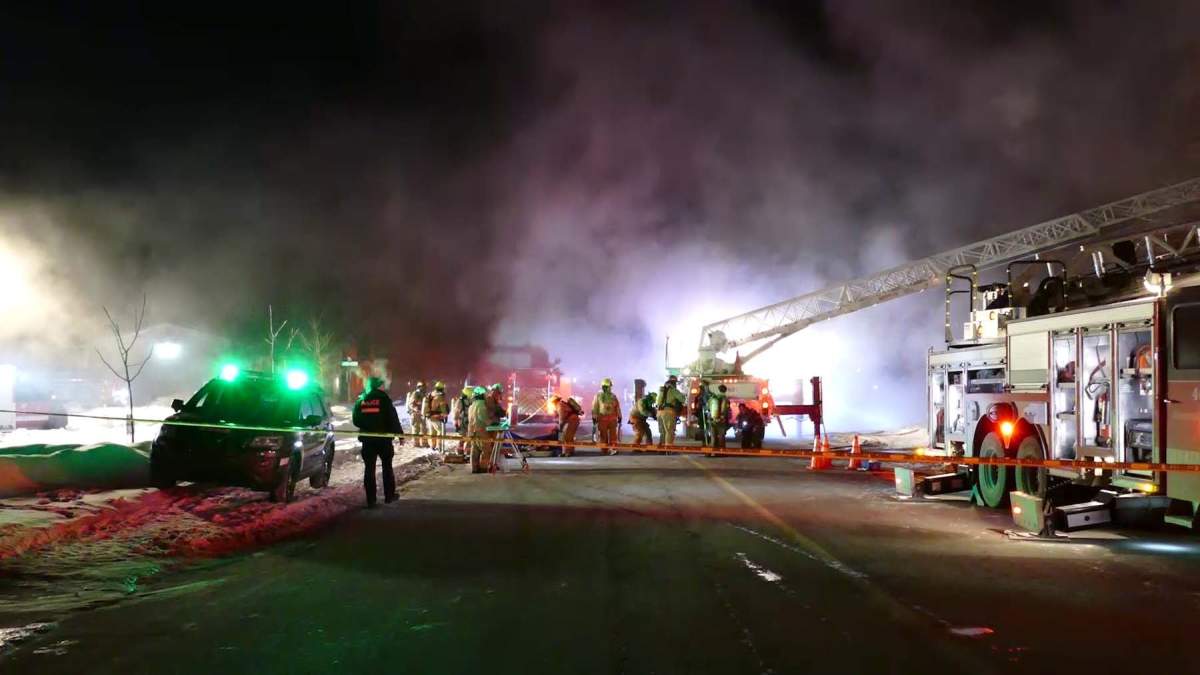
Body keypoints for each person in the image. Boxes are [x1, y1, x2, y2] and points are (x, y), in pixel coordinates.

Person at [352, 376, 403, 508]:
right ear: (377, 386)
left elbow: (356, 420)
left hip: (368, 440)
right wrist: (399, 434)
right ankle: (389, 496)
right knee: (387, 467)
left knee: (369, 469)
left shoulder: (361, 400)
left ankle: (371, 499)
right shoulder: (384, 399)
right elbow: (392, 417)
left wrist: (368, 426)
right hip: (384, 440)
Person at [591, 378, 622, 455]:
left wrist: (619, 416)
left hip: (612, 418)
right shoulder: (598, 396)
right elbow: (595, 407)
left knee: (613, 435)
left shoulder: (613, 396)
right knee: (603, 435)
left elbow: (617, 407)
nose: (610, 388)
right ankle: (604, 450)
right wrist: (594, 417)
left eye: (610, 386)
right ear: (604, 387)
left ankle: (613, 449)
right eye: (609, 386)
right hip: (602, 418)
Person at [467, 386, 492, 473]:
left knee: (475, 450)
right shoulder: (481, 405)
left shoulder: (472, 405)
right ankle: (484, 467)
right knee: (486, 449)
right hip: (481, 430)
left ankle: (474, 468)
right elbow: (483, 417)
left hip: (472, 431)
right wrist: (490, 422)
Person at [656, 375, 686, 448]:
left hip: (659, 412)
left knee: (662, 432)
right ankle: (668, 449)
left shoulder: (661, 390)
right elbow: (682, 399)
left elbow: (657, 401)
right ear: (674, 382)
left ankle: (662, 448)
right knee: (669, 431)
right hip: (668, 412)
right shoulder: (673, 390)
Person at [423, 381, 450, 453]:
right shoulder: (440, 396)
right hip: (437, 417)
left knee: (432, 432)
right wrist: (445, 415)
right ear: (442, 388)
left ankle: (433, 446)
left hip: (429, 417)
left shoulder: (431, 394)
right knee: (441, 432)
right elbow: (443, 408)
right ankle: (440, 447)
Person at [707, 384, 731, 449]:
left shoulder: (713, 398)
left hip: (713, 419)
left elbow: (708, 408)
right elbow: (726, 410)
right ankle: (721, 450)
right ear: (725, 390)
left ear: (719, 390)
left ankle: (712, 448)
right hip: (721, 420)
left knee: (713, 436)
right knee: (721, 436)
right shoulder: (725, 399)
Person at [406, 381, 428, 448]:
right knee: (416, 429)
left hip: (422, 414)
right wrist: (416, 409)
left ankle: (425, 443)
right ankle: (416, 443)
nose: (424, 388)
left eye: (424, 387)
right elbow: (411, 404)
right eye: (423, 387)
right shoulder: (415, 393)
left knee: (424, 429)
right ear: (419, 387)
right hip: (416, 414)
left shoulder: (424, 394)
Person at [453, 386, 472, 455]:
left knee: (463, 437)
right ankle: (467, 452)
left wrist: (455, 421)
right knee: (469, 437)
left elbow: (456, 412)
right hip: (469, 421)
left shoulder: (460, 401)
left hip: (463, 420)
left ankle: (460, 451)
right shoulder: (473, 400)